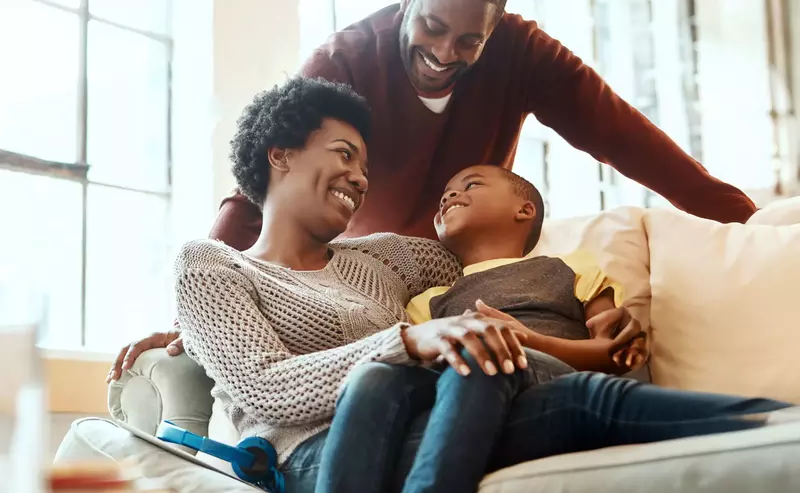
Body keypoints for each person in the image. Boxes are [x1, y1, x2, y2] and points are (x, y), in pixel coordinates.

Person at [107, 0, 758, 372]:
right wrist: (197, 315)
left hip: (462, 271)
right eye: (433, 26)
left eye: (469, 40)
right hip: (375, 282)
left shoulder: (524, 55)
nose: (445, 53)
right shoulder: (346, 61)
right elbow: (260, 192)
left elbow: (630, 141)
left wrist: (750, 219)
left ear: (496, 29)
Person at [170, 77, 793, 493]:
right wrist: (410, 342)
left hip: (436, 412)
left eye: (365, 164)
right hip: (310, 454)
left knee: (587, 400)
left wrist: (600, 304)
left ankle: (781, 424)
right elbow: (263, 387)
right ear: (281, 155)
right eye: (343, 154)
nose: (361, 178)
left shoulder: (389, 258)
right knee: (497, 376)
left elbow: (497, 267)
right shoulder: (212, 265)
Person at [404, 164, 648, 373]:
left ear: (524, 210)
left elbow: (613, 355)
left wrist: (531, 342)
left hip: (566, 387)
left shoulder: (572, 266)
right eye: (443, 197)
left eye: (471, 186)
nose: (448, 197)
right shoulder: (427, 301)